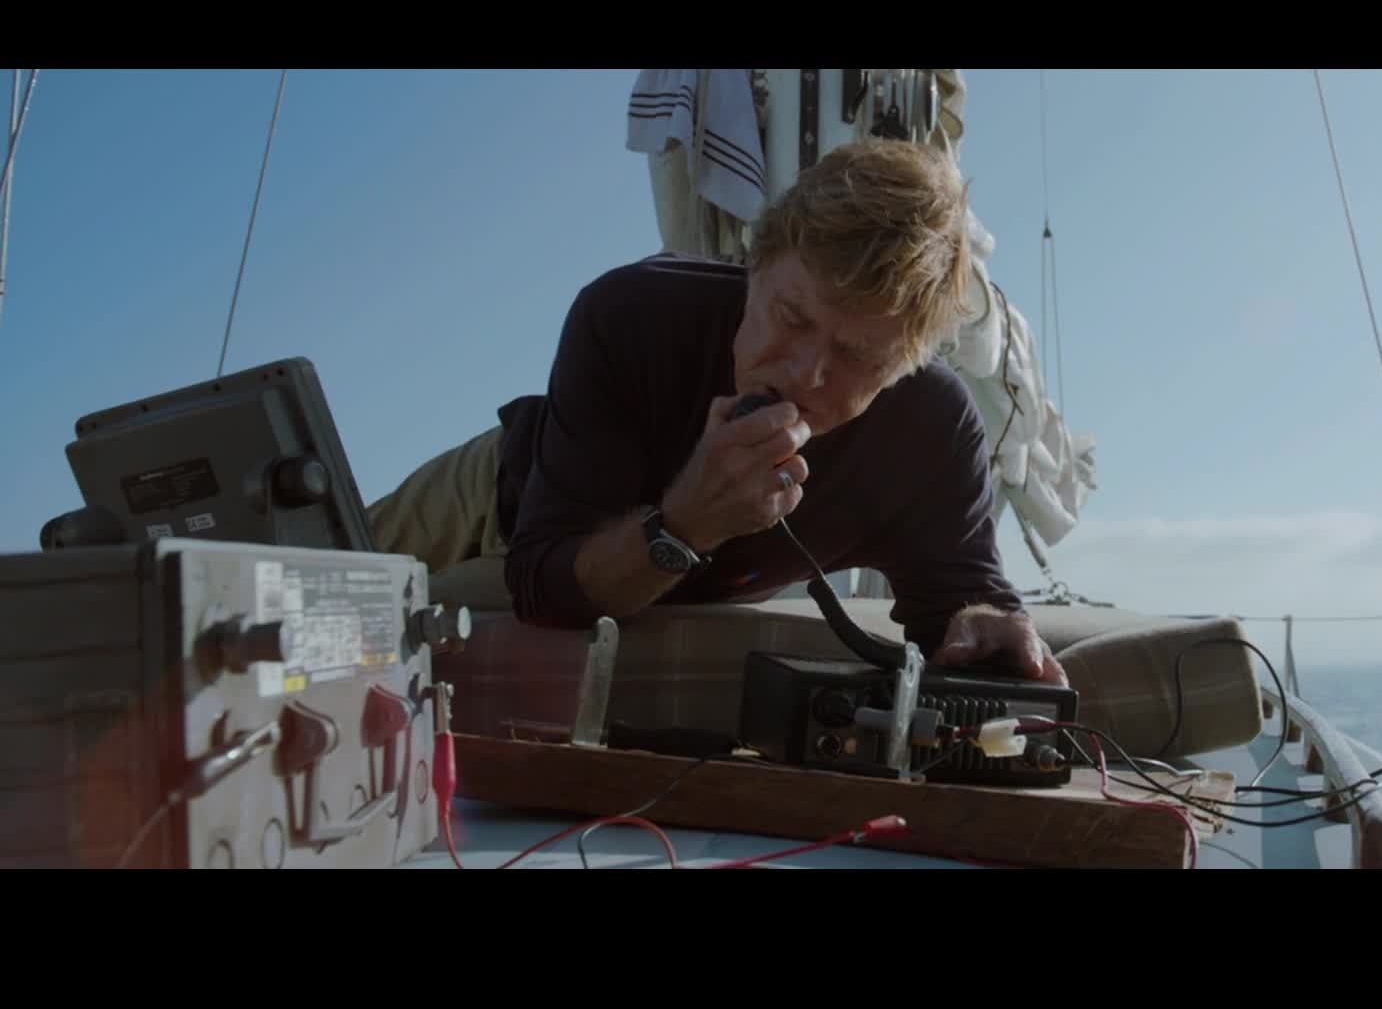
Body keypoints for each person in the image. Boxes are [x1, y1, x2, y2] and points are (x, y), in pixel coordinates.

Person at [367, 137, 1066, 686]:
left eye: (857, 356)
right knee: (330, 564)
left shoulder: (931, 430)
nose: (805, 372)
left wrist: (986, 625)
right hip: (506, 487)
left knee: (377, 627)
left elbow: (962, 597)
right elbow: (544, 579)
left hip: (602, 578)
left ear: (903, 368)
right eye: (792, 317)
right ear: (753, 269)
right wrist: (689, 522)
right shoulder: (632, 312)